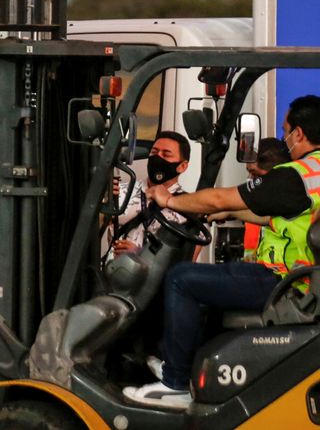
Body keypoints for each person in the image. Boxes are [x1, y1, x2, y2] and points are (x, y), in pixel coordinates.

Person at [122, 95, 320, 410]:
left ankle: (175, 384)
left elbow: (219, 199)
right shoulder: (315, 174)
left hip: (287, 284)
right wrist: (231, 215)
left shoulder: (295, 174)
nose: (285, 138)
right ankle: (185, 365)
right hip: (299, 279)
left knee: (181, 279)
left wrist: (170, 201)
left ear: (299, 134)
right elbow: (280, 216)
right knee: (206, 285)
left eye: (286, 131)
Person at [109, 132, 191, 258]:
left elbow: (187, 262)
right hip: (110, 274)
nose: (158, 157)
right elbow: (92, 230)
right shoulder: (120, 192)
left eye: (166, 154)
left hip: (158, 278)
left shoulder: (189, 207)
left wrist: (141, 254)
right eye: (154, 152)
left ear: (182, 166)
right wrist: (101, 201)